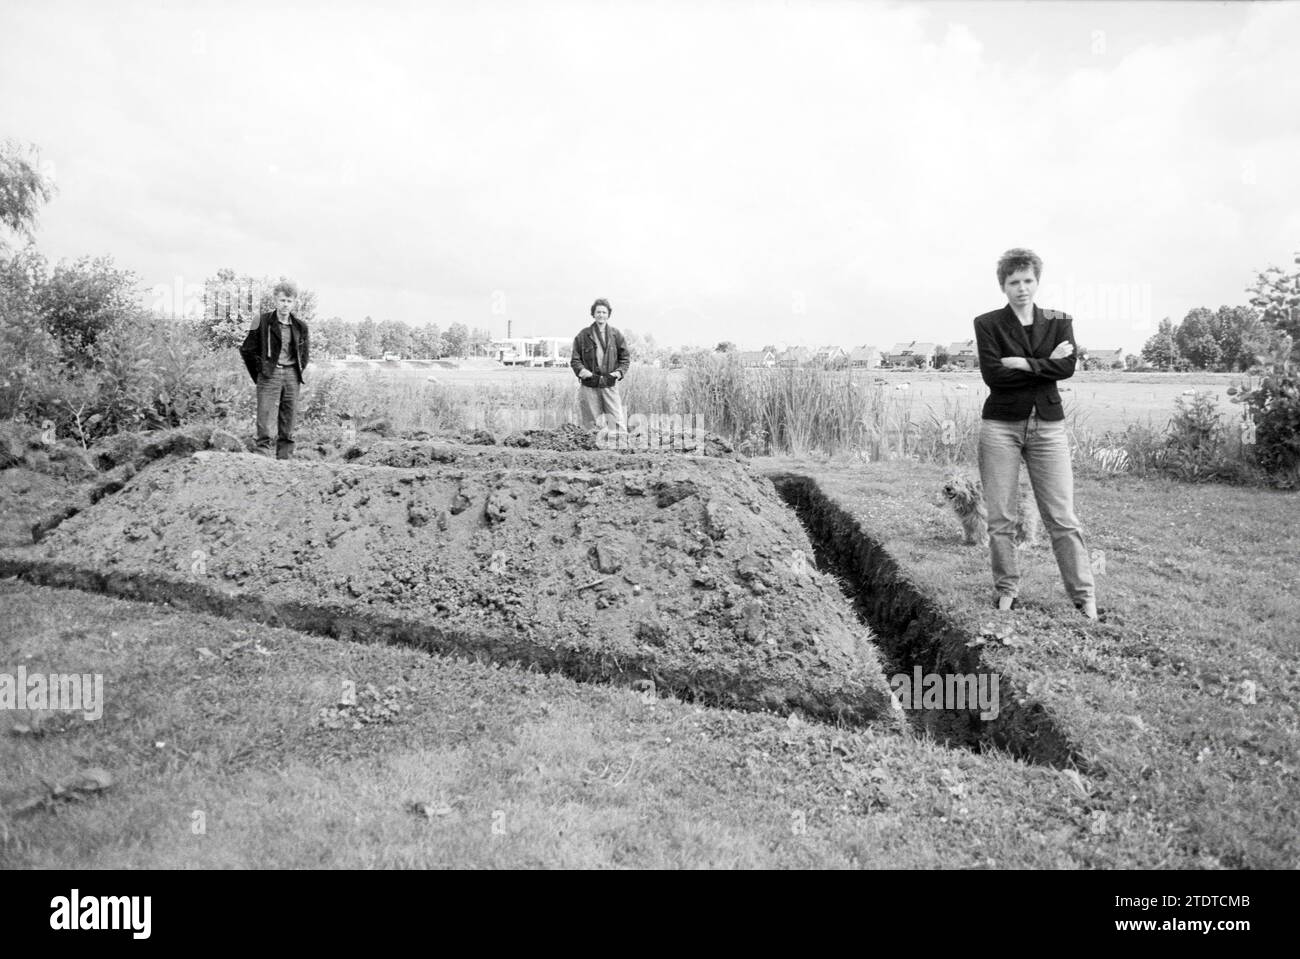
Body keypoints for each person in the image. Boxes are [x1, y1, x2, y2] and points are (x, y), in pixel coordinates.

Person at [974, 248, 1097, 620]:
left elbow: (1069, 366)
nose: (1022, 288)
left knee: (1062, 516)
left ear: (1037, 282)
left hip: (1048, 427)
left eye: (1028, 281)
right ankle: (1007, 589)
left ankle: (1084, 596)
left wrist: (1022, 362)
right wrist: (1047, 363)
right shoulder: (987, 323)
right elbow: (994, 376)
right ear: (1003, 286)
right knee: (1000, 519)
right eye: (1014, 282)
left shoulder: (1060, 320)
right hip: (1001, 426)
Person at [239, 280, 310, 459]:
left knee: (289, 417)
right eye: (282, 300)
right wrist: (261, 371)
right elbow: (247, 349)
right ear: (275, 300)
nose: (285, 304)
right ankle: (262, 457)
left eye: (289, 301)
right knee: (265, 416)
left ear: (294, 302)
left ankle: (284, 459)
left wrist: (296, 370)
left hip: (292, 375)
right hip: (269, 374)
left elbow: (304, 354)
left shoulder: (301, 326)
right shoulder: (261, 321)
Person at [570, 298, 630, 433]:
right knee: (590, 424)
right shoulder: (583, 335)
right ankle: (592, 452)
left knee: (617, 422)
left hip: (609, 384)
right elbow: (575, 360)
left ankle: (621, 449)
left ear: (608, 314)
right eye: (598, 312)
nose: (601, 315)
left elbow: (625, 358)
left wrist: (618, 373)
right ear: (593, 314)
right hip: (590, 385)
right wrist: (583, 372)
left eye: (604, 312)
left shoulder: (616, 335)